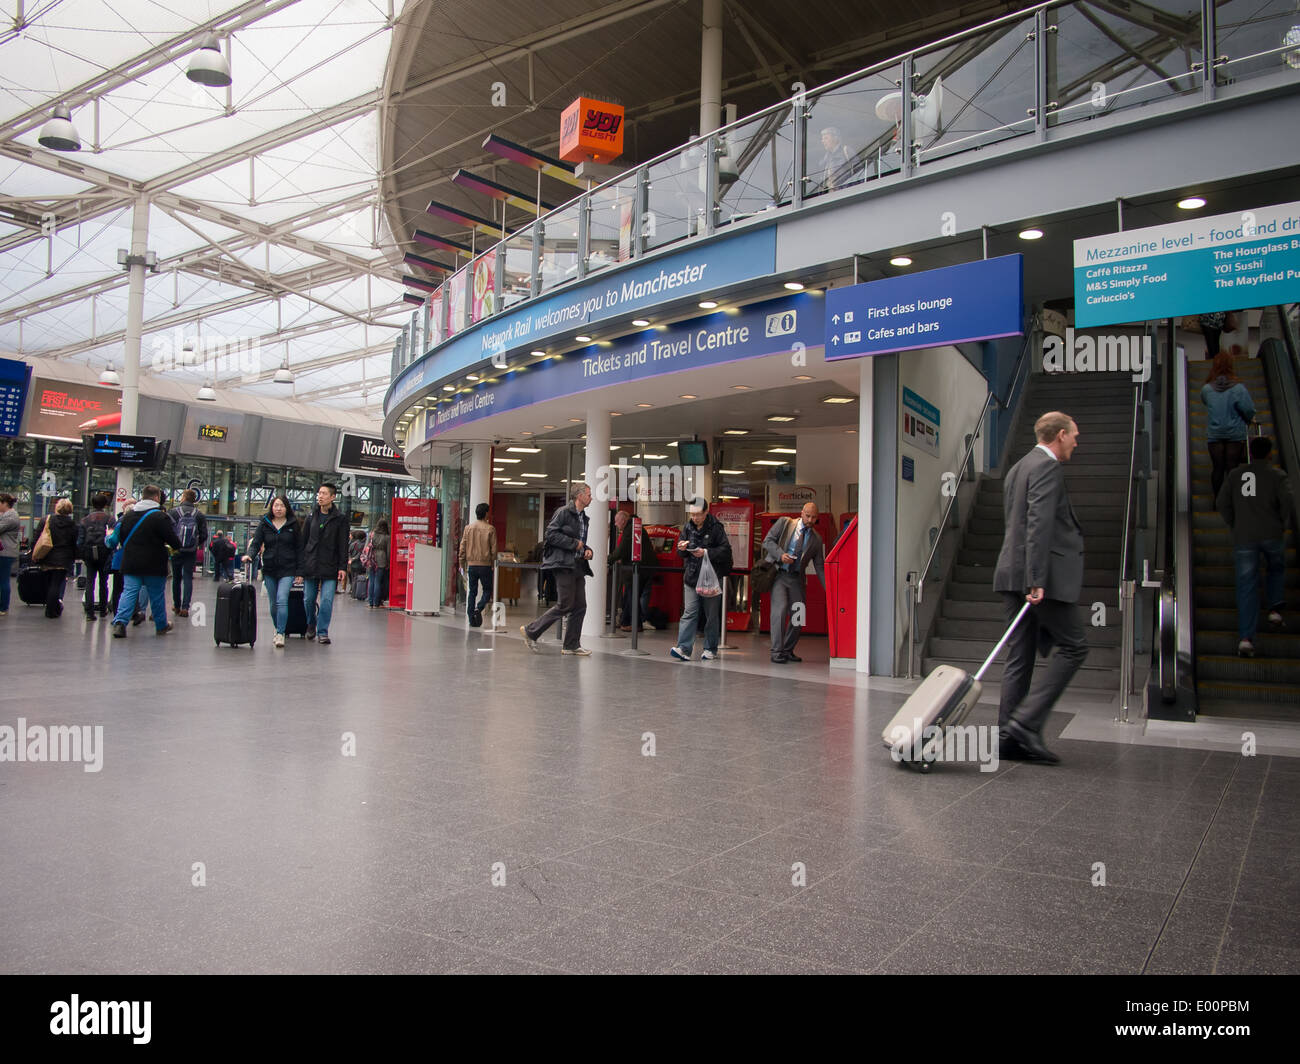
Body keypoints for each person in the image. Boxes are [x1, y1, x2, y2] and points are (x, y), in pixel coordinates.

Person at [992, 411, 1089, 765]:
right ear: (1060, 435)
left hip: (1011, 573)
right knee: (1075, 647)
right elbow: (1038, 524)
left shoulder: (1018, 467)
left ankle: (1007, 737)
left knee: (1020, 656)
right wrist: (1036, 579)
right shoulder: (1047, 468)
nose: (1076, 442)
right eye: (1074, 435)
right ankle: (1025, 723)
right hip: (1038, 577)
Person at [1217, 435, 1292, 658]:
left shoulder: (1235, 475)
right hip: (1271, 533)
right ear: (1270, 453)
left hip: (1244, 536)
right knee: (1276, 567)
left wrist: (1234, 523)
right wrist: (1281, 522)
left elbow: (1222, 503)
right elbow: (1287, 501)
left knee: (1246, 586)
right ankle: (1275, 609)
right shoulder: (1277, 475)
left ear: (1250, 452)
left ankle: (1246, 639)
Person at [521, 482, 594, 656]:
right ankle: (531, 631)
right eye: (589, 494)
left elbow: (580, 541)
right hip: (562, 564)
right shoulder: (563, 513)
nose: (591, 497)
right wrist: (574, 544)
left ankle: (571, 645)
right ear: (579, 496)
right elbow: (551, 535)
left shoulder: (584, 517)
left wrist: (587, 550)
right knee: (565, 604)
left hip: (577, 565)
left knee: (580, 605)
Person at [111, 484, 181, 638]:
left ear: (142, 496)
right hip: (154, 563)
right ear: (156, 497)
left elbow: (121, 538)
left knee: (129, 592)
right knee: (156, 595)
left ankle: (120, 623)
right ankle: (161, 625)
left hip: (131, 561)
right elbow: (174, 541)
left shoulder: (127, 516)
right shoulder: (160, 517)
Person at [762, 502, 826, 664]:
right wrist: (781, 555)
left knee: (799, 615)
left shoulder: (816, 540)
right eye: (808, 516)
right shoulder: (785, 523)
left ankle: (787, 650)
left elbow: (819, 566)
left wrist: (829, 589)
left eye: (814, 517)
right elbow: (767, 541)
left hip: (797, 578)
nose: (810, 520)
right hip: (779, 575)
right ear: (802, 513)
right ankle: (776, 652)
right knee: (780, 610)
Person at [669, 498, 733, 662]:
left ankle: (710, 648)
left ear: (706, 512)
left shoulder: (716, 528)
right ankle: (683, 648)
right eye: (692, 514)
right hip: (691, 577)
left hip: (711, 578)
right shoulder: (687, 526)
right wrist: (681, 548)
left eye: (698, 514)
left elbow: (725, 550)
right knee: (689, 612)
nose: (695, 518)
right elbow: (680, 553)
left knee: (711, 615)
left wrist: (705, 552)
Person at [244, 495, 301, 649]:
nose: (278, 508)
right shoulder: (265, 523)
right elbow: (256, 543)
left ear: (287, 508)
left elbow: (299, 548)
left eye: (281, 506)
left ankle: (281, 633)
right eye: (276, 505)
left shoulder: (293, 524)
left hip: (288, 568)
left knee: (282, 599)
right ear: (272, 507)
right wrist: (249, 554)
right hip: (269, 568)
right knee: (273, 604)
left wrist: (300, 570)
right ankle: (278, 628)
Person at [1201, 350, 1256, 500]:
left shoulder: (1207, 389)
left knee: (1217, 468)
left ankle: (1217, 500)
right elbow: (1248, 409)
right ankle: (1233, 501)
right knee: (1232, 468)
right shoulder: (1238, 388)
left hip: (1215, 434)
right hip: (1235, 434)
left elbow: (1206, 402)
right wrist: (1249, 419)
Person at [300, 482, 349, 645]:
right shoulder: (310, 516)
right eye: (319, 493)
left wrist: (342, 567)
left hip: (330, 565)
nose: (320, 496)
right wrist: (300, 567)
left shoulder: (340, 519)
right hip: (311, 563)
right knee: (308, 599)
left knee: (327, 600)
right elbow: (303, 541)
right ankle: (311, 623)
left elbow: (343, 545)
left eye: (324, 494)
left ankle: (323, 631)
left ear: (333, 497)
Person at [33, 498, 78, 619]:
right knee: (56, 584)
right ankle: (52, 609)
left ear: (57, 507)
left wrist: (34, 553)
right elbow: (74, 543)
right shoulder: (72, 524)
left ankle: (51, 607)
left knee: (49, 583)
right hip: (64, 557)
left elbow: (37, 537)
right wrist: (73, 558)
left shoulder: (47, 520)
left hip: (47, 555)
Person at [167, 488, 208, 618]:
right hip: (191, 551)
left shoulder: (174, 512)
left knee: (176, 578)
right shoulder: (199, 515)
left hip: (176, 550)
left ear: (183, 497)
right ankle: (186, 607)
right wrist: (195, 543)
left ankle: (177, 605)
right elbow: (204, 535)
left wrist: (173, 544)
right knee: (187, 577)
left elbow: (168, 530)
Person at [76, 491, 116, 619]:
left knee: (90, 581)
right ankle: (103, 608)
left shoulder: (84, 520)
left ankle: (89, 612)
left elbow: (80, 540)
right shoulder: (110, 519)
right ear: (105, 504)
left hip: (89, 553)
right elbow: (112, 538)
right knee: (104, 582)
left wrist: (82, 554)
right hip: (104, 553)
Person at [458, 502, 496, 625]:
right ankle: (478, 608)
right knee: (487, 590)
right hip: (485, 566)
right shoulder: (490, 529)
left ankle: (471, 619)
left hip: (472, 565)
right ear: (486, 513)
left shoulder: (468, 528)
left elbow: (462, 548)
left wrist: (461, 563)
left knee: (472, 592)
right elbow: (494, 550)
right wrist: (492, 563)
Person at [816, 126, 858, 192]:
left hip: (845, 191)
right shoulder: (824, 160)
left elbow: (859, 171)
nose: (823, 141)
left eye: (826, 138)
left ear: (835, 138)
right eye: (822, 139)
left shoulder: (846, 151)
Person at [0, 492, 19, 616]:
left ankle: (3, 607)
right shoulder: (8, 515)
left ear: (5, 503)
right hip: (6, 551)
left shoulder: (10, 517)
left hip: (5, 552)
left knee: (4, 580)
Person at [367, 519, 391, 610]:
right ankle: (376, 602)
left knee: (371, 580)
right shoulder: (387, 537)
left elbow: (367, 547)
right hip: (382, 558)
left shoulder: (372, 534)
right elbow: (388, 551)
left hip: (371, 558)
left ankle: (370, 602)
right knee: (378, 581)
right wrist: (388, 562)